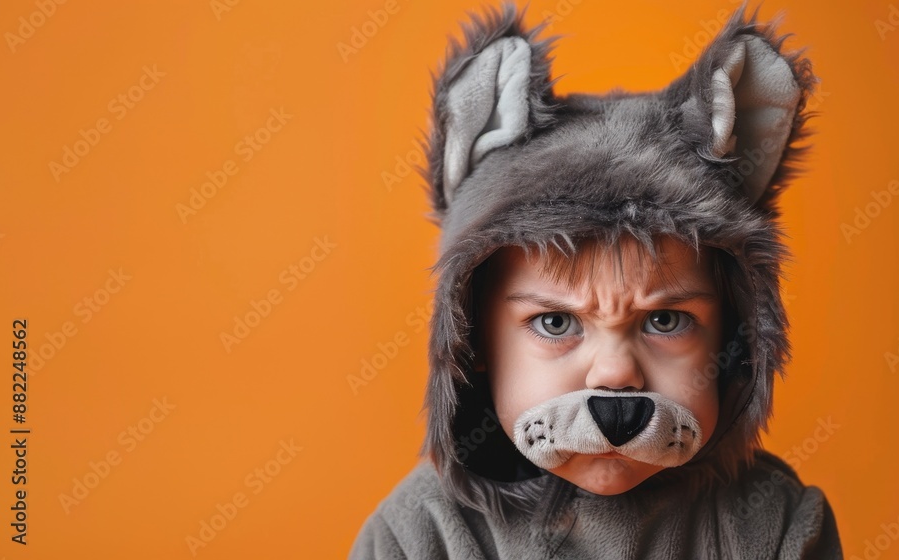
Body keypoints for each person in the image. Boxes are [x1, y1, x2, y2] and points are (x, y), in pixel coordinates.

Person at [350, 1, 843, 558]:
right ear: (473, 341)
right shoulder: (420, 534)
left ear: (733, 339)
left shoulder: (771, 524)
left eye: (665, 320)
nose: (614, 375)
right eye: (555, 321)